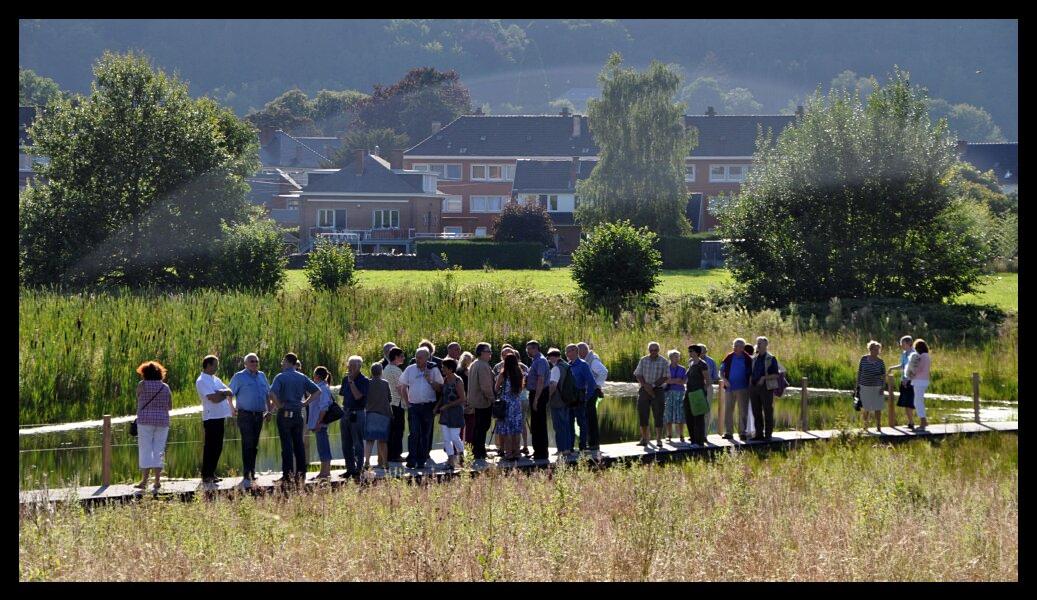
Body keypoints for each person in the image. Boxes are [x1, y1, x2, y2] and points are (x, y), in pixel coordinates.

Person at [269, 352, 320, 483]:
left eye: (283, 361)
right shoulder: (302, 377)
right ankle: (301, 475)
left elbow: (272, 393)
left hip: (285, 415)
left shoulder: (280, 377)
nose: (281, 363)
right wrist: (305, 403)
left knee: (286, 446)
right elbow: (317, 391)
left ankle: (287, 476)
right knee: (299, 445)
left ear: (288, 361)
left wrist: (279, 405)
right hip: (298, 414)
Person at [230, 353, 273, 489]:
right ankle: (247, 473)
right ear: (246, 364)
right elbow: (229, 393)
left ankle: (252, 472)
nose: (255, 363)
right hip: (245, 415)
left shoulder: (262, 375)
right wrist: (232, 409)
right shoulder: (239, 376)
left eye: (256, 361)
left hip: (259, 415)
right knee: (247, 443)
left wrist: (269, 410)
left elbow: (268, 393)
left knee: (254, 444)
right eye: (252, 361)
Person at [400, 347, 444, 470]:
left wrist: (429, 380)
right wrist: (407, 403)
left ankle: (421, 460)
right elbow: (402, 386)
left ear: (427, 358)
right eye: (416, 356)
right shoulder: (410, 369)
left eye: (420, 357)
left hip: (428, 406)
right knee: (413, 434)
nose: (417, 359)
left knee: (425, 434)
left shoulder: (433, 370)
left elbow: (440, 388)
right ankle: (411, 460)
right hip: (414, 406)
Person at [195, 355, 235, 485]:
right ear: (208, 365)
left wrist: (221, 392)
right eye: (215, 365)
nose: (217, 368)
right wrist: (223, 393)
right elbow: (213, 398)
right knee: (210, 446)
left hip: (220, 416)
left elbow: (230, 391)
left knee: (218, 446)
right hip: (210, 416)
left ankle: (212, 473)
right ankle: (206, 475)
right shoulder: (201, 380)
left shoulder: (215, 379)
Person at [134, 360, 173, 493]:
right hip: (162, 421)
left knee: (145, 450)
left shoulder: (142, 385)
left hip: (144, 421)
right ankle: (157, 481)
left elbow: (138, 399)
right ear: (160, 373)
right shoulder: (165, 387)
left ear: (144, 373)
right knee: (159, 450)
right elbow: (170, 406)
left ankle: (144, 481)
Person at [338, 355, 369, 477]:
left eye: (352, 366)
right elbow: (343, 395)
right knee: (346, 443)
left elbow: (358, 396)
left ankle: (359, 469)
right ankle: (349, 469)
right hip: (345, 412)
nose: (349, 368)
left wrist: (351, 382)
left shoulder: (364, 380)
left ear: (359, 367)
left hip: (358, 413)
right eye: (348, 366)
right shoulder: (345, 379)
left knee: (358, 443)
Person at [633, 342, 669, 447]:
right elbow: (638, 374)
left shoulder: (664, 361)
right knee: (643, 413)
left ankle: (658, 439)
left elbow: (666, 377)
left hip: (658, 389)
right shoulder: (643, 360)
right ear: (649, 350)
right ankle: (644, 438)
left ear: (658, 350)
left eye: (655, 350)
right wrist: (645, 385)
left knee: (658, 414)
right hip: (644, 389)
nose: (653, 352)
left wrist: (652, 385)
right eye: (651, 350)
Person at [466, 343, 496, 460]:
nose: (490, 354)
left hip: (475, 401)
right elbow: (485, 386)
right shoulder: (483, 365)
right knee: (483, 427)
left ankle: (477, 451)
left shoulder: (474, 364)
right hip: (483, 402)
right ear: (481, 353)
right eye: (488, 351)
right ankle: (480, 452)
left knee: (478, 427)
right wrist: (492, 399)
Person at [748, 337, 781, 441]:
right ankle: (758, 434)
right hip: (754, 387)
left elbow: (776, 374)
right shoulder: (754, 358)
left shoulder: (771, 358)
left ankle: (768, 435)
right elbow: (751, 373)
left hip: (766, 388)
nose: (758, 345)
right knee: (756, 411)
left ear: (766, 345)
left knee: (767, 411)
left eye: (760, 343)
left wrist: (763, 378)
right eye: (757, 343)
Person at [494, 353, 526, 462]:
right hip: (516, 403)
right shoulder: (519, 373)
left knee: (507, 430)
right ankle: (517, 452)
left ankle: (508, 453)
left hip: (506, 404)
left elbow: (496, 388)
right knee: (516, 429)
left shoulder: (503, 374)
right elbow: (521, 389)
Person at [719, 339, 753, 441]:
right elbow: (721, 371)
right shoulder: (728, 357)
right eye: (734, 345)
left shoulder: (748, 359)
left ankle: (742, 433)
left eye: (737, 346)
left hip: (743, 388)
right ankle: (729, 433)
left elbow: (751, 374)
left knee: (743, 411)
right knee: (728, 411)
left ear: (742, 348)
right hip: (729, 388)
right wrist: (724, 380)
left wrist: (750, 385)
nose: (734, 347)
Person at [564, 344, 596, 452]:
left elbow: (592, 383)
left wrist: (587, 397)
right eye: (566, 351)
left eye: (568, 351)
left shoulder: (583, 365)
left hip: (580, 397)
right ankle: (570, 446)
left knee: (582, 423)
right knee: (569, 423)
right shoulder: (568, 365)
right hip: (569, 399)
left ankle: (583, 446)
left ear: (575, 352)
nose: (566, 353)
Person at [437, 358, 467, 469]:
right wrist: (437, 407)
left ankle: (462, 454)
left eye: (444, 367)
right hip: (445, 413)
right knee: (446, 438)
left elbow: (462, 399)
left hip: (455, 413)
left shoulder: (458, 381)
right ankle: (450, 460)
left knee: (454, 437)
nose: (442, 369)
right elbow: (443, 396)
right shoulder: (445, 380)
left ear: (450, 369)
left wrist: (447, 406)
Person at [305, 366, 334, 479]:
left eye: (314, 375)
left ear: (317, 376)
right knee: (322, 446)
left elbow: (324, 408)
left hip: (320, 423)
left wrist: (318, 422)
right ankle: (324, 471)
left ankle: (325, 472)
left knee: (323, 446)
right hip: (319, 422)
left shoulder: (324, 388)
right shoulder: (320, 387)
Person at [523, 340, 550, 460]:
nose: (527, 352)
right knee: (535, 423)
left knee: (539, 424)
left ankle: (542, 452)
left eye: (528, 349)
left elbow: (541, 380)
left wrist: (536, 399)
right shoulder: (535, 360)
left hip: (539, 394)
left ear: (535, 348)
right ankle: (537, 450)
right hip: (535, 394)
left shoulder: (540, 361)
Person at [363, 363, 392, 472]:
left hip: (370, 413)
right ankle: (385, 463)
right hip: (383, 414)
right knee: (382, 441)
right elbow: (389, 398)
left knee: (369, 440)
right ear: (381, 372)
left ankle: (367, 462)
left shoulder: (367, 384)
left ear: (371, 372)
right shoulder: (385, 383)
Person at [579, 342, 608, 452]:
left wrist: (597, 386)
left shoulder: (593, 360)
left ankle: (594, 444)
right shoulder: (588, 359)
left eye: (578, 351)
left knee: (591, 418)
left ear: (584, 350)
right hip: (589, 392)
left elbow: (604, 372)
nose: (577, 354)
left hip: (592, 392)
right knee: (588, 417)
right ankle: (590, 443)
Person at [546, 348, 574, 456]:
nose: (548, 359)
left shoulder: (556, 369)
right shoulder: (567, 366)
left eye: (549, 357)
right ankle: (567, 448)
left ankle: (561, 450)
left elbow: (553, 385)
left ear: (553, 357)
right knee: (566, 425)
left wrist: (547, 398)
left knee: (558, 427)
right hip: (567, 400)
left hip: (558, 401)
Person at [857, 341, 887, 434]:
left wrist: (883, 387)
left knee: (877, 407)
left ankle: (878, 426)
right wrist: (857, 385)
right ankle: (865, 426)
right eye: (876, 349)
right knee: (866, 407)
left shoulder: (880, 362)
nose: (878, 351)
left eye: (879, 349)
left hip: (877, 387)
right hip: (864, 386)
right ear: (871, 349)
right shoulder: (863, 359)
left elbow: (883, 375)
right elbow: (859, 372)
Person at [887, 335, 917, 429]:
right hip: (904, 381)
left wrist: (907, 379)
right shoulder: (904, 354)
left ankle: (912, 422)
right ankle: (910, 422)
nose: (901, 345)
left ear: (909, 343)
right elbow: (902, 366)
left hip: (911, 382)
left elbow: (914, 369)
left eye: (902, 343)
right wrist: (892, 368)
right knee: (905, 403)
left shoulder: (914, 354)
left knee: (909, 403)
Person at [383, 347, 407, 462]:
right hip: (397, 403)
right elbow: (400, 388)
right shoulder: (396, 370)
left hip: (389, 403)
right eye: (402, 356)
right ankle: (396, 455)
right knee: (398, 429)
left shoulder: (386, 368)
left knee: (391, 430)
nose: (403, 358)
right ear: (396, 357)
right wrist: (407, 402)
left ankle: (389, 454)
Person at [684, 345, 711, 446]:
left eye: (691, 351)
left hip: (698, 394)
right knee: (689, 417)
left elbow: (708, 381)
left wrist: (701, 392)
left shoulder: (702, 364)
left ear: (697, 352)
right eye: (689, 351)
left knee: (698, 418)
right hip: (688, 393)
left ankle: (699, 441)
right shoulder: (690, 363)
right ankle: (693, 439)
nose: (689, 353)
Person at [907, 339, 932, 433]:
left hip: (919, 381)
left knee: (918, 402)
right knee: (919, 401)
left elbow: (918, 368)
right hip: (923, 380)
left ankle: (923, 422)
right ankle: (923, 421)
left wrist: (911, 373)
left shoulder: (922, 356)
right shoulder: (927, 356)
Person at [663, 350, 687, 443]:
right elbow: (665, 380)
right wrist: (676, 380)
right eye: (675, 356)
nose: (677, 358)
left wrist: (672, 380)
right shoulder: (666, 368)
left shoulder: (682, 369)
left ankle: (681, 435)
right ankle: (669, 435)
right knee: (668, 413)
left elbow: (684, 381)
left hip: (680, 393)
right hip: (668, 393)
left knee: (680, 413)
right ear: (670, 358)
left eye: (678, 356)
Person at [458, 351, 475, 445]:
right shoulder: (467, 372)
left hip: (460, 400)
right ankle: (468, 445)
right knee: (469, 424)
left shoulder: (457, 371)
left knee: (460, 425)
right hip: (467, 399)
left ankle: (459, 445)